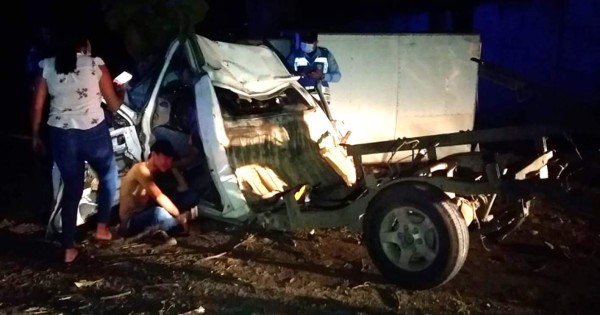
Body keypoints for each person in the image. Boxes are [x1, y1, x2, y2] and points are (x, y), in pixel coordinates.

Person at [30, 30, 125, 263]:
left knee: (72, 190)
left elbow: (37, 107)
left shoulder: (47, 66)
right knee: (109, 177)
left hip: (61, 136)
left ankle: (68, 248)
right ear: (84, 47)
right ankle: (102, 227)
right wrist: (120, 90)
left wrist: (34, 135)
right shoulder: (95, 64)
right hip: (94, 133)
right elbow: (113, 105)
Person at [118, 140, 200, 245]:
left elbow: (182, 188)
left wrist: (173, 167)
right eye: (165, 158)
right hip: (130, 221)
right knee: (159, 213)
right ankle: (180, 223)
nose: (168, 162)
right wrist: (178, 215)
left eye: (170, 159)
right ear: (153, 155)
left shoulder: (159, 170)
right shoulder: (140, 170)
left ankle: (181, 220)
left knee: (191, 196)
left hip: (147, 210)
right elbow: (159, 197)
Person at [286, 31, 342, 104]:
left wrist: (322, 76)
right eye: (304, 42)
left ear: (316, 42)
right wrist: (297, 74)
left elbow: (337, 76)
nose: (306, 44)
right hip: (301, 98)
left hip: (322, 99)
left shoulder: (326, 54)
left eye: (309, 42)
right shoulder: (295, 54)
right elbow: (285, 73)